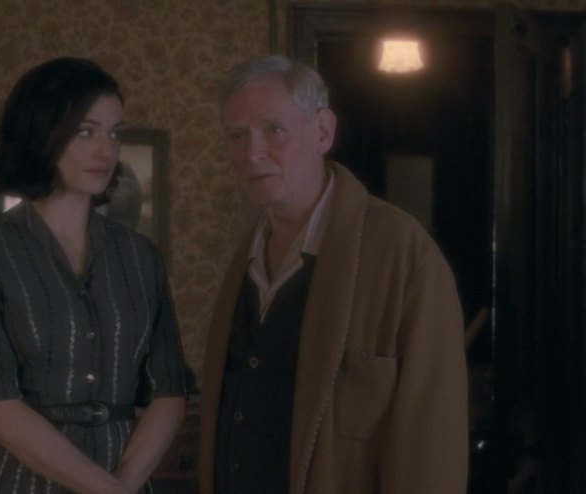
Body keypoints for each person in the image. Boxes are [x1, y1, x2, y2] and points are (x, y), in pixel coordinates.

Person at [197, 55, 468, 493]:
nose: (252, 153)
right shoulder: (245, 254)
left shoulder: (403, 252)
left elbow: (431, 442)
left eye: (273, 130)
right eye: (237, 135)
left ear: (323, 131)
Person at [0, 57, 187, 494]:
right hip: (20, 483)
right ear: (42, 134)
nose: (106, 151)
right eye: (86, 131)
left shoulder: (141, 257)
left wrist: (123, 485)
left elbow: (169, 393)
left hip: (127, 477)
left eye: (115, 133)